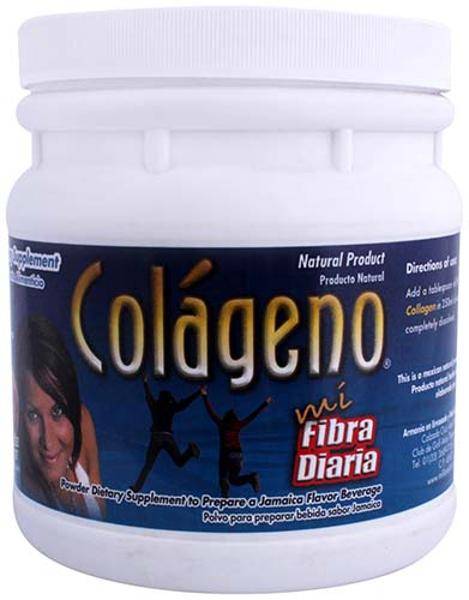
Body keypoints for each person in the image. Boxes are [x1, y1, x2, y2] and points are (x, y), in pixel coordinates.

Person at [15, 315, 104, 519]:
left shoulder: (82, 420)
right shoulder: (30, 490)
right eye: (33, 415)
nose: (48, 441)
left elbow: (102, 518)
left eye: (57, 411)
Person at [131, 375, 203, 492]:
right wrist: (199, 392)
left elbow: (148, 396)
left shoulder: (155, 405)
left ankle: (136, 488)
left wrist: (145, 382)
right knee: (179, 461)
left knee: (148, 465)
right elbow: (185, 403)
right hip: (168, 437)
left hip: (156, 437)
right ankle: (190, 452)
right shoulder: (171, 407)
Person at [202, 386, 272, 498]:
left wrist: (204, 396)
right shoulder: (238, 425)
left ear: (225, 418)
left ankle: (225, 493)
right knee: (233, 480)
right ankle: (251, 478)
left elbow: (211, 412)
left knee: (223, 477)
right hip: (238, 456)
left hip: (226, 455)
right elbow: (253, 415)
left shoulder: (222, 424)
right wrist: (265, 403)